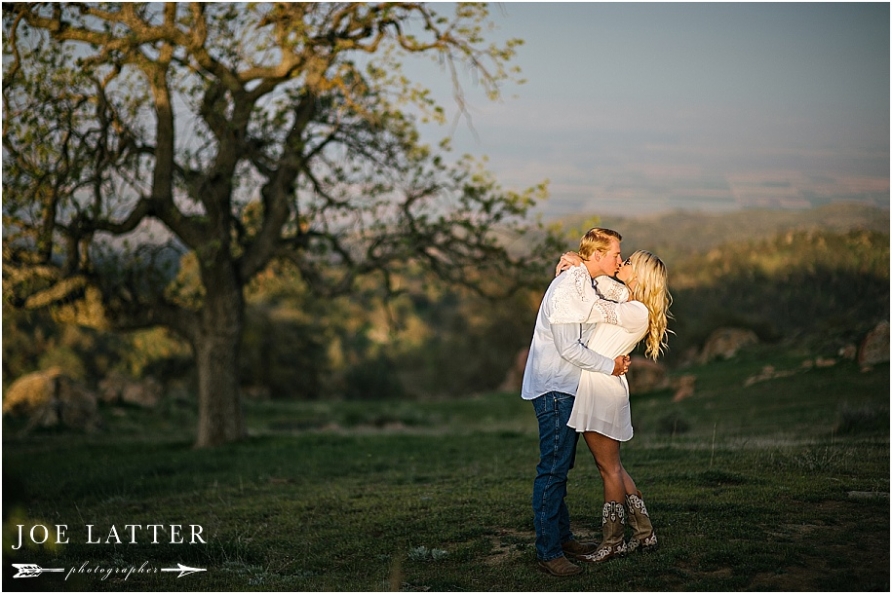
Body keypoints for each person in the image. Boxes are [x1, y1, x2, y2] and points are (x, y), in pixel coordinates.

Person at [521, 228, 632, 577]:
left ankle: (563, 537)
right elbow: (568, 348)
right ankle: (548, 552)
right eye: (616, 253)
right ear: (597, 254)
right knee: (552, 470)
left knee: (561, 467)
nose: (619, 259)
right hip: (555, 387)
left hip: (568, 387)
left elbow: (616, 295)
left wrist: (581, 262)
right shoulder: (569, 287)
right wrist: (610, 367)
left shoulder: (584, 279)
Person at [552, 249, 672, 563]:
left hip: (601, 389)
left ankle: (613, 541)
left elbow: (590, 308)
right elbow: (597, 291)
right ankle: (644, 533)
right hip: (600, 385)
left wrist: (579, 273)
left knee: (609, 470)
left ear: (641, 274)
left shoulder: (635, 311)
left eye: (628, 262)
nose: (622, 263)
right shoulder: (628, 302)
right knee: (613, 467)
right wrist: (578, 271)